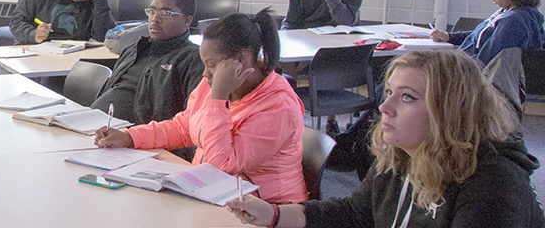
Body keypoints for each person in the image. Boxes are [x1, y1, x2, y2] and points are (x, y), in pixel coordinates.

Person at [225, 50, 543, 228]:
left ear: (449, 111)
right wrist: (275, 213)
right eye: (389, 92)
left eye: (407, 98)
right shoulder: (403, 154)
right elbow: (355, 213)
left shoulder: (494, 184)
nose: (384, 107)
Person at [94, 9, 308, 204]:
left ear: (241, 59)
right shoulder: (214, 84)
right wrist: (129, 137)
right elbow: (184, 127)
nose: (205, 74)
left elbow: (220, 167)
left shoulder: (278, 106)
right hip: (215, 196)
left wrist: (219, 99)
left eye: (212, 65)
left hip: (265, 209)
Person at [91, 0, 206, 129]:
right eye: (151, 11)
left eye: (166, 13)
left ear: (187, 21)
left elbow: (189, 121)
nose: (155, 19)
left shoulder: (194, 60)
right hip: (95, 129)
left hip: (138, 141)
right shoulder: (134, 49)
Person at [430, 0, 543, 65]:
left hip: (472, 74)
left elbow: (487, 60)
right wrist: (450, 37)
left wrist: (454, 65)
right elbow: (480, 36)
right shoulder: (513, 13)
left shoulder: (513, 21)